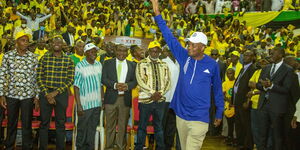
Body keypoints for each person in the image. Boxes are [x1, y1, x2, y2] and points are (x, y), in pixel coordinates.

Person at [150, 0, 224, 149]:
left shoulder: (212, 65)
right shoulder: (184, 57)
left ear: (203, 47)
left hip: (199, 117)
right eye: (188, 43)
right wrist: (157, 12)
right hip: (181, 114)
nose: (189, 47)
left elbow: (217, 90)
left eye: (193, 45)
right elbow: (169, 38)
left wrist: (219, 112)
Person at [0, 32, 39, 150]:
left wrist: (37, 96)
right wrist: (1, 95)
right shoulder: (8, 56)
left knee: (27, 123)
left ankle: (27, 146)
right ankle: (9, 146)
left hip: (28, 96)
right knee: (11, 122)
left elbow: (37, 77)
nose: (25, 43)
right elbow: (2, 75)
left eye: (27, 41)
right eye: (22, 40)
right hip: (12, 95)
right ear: (17, 42)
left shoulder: (33, 57)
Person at [37, 36, 75, 150]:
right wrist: (47, 94)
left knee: (60, 123)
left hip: (61, 94)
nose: (56, 43)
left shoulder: (68, 60)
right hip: (45, 94)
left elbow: (70, 79)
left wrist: (55, 93)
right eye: (54, 41)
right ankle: (42, 147)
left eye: (59, 42)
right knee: (44, 123)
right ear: (51, 44)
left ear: (63, 44)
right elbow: (39, 77)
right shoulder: (44, 58)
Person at [256, 47, 294, 150]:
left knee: (277, 136)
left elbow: (286, 89)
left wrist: (271, 85)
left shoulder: (288, 70)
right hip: (263, 105)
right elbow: (258, 85)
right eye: (270, 53)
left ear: (281, 55)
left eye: (272, 53)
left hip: (277, 108)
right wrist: (264, 86)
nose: (270, 55)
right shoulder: (266, 68)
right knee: (262, 135)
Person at [135, 41, 171, 150]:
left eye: (156, 51)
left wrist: (160, 93)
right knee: (142, 126)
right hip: (146, 100)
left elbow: (168, 81)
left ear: (159, 52)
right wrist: (152, 93)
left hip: (160, 100)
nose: (154, 53)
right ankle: (139, 147)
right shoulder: (141, 63)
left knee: (159, 127)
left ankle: (160, 147)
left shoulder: (164, 65)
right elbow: (140, 81)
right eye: (152, 51)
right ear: (149, 51)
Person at [101, 44, 137, 150]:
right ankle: (109, 147)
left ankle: (121, 147)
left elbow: (134, 81)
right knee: (109, 126)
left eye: (124, 51)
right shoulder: (107, 63)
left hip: (124, 99)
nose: (121, 53)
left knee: (123, 125)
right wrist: (115, 85)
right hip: (110, 99)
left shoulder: (132, 65)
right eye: (119, 50)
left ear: (128, 53)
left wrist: (127, 86)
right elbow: (104, 79)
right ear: (115, 51)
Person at [74, 43, 102, 150]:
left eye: (95, 51)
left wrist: (102, 100)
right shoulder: (80, 66)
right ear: (85, 53)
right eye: (91, 51)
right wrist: (79, 105)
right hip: (85, 104)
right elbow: (76, 87)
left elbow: (101, 85)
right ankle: (80, 148)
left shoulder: (99, 64)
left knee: (92, 129)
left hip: (97, 104)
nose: (93, 53)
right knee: (82, 129)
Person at [232, 50, 256, 150]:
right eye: (244, 55)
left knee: (245, 124)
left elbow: (252, 87)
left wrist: (247, 101)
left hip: (244, 101)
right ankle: (240, 142)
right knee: (238, 123)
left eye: (248, 55)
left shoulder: (252, 69)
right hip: (237, 100)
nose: (245, 57)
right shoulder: (243, 68)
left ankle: (247, 145)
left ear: (252, 57)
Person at [161, 46, 181, 150]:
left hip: (175, 100)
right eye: (171, 50)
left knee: (172, 125)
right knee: (162, 124)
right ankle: (161, 146)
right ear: (168, 52)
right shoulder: (163, 62)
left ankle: (168, 146)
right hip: (164, 99)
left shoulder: (179, 63)